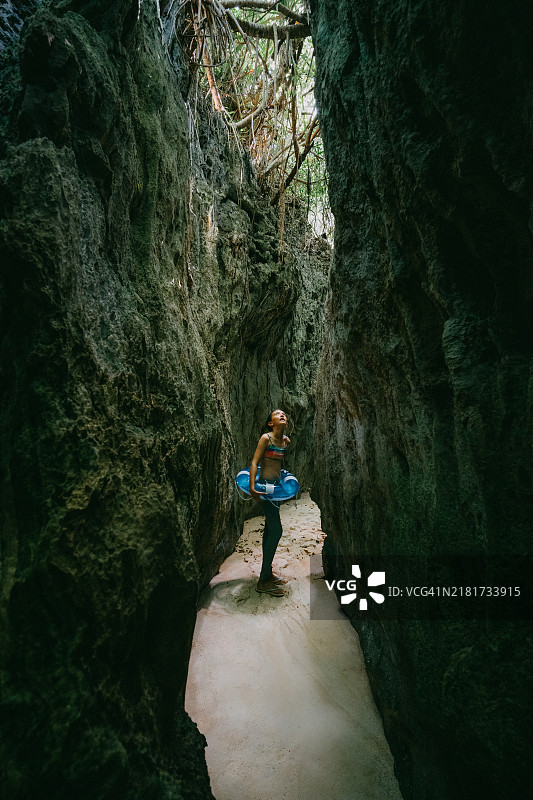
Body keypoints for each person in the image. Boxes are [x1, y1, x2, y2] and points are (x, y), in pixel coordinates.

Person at [249, 409, 291, 597]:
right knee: (276, 530)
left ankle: (266, 573)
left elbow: (279, 465)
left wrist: (284, 486)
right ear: (270, 423)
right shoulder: (266, 438)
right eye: (277, 414)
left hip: (275, 488)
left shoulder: (285, 441)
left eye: (284, 414)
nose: (283, 415)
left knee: (269, 529)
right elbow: (255, 463)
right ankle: (263, 580)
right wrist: (252, 487)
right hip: (265, 487)